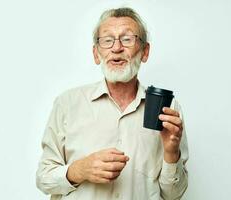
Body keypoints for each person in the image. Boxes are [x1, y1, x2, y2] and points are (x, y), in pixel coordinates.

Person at [36, 7, 189, 200]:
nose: (116, 48)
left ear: (145, 51)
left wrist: (171, 152)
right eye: (107, 40)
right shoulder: (67, 103)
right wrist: (78, 170)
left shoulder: (168, 110)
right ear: (96, 53)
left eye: (127, 39)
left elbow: (174, 195)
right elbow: (43, 178)